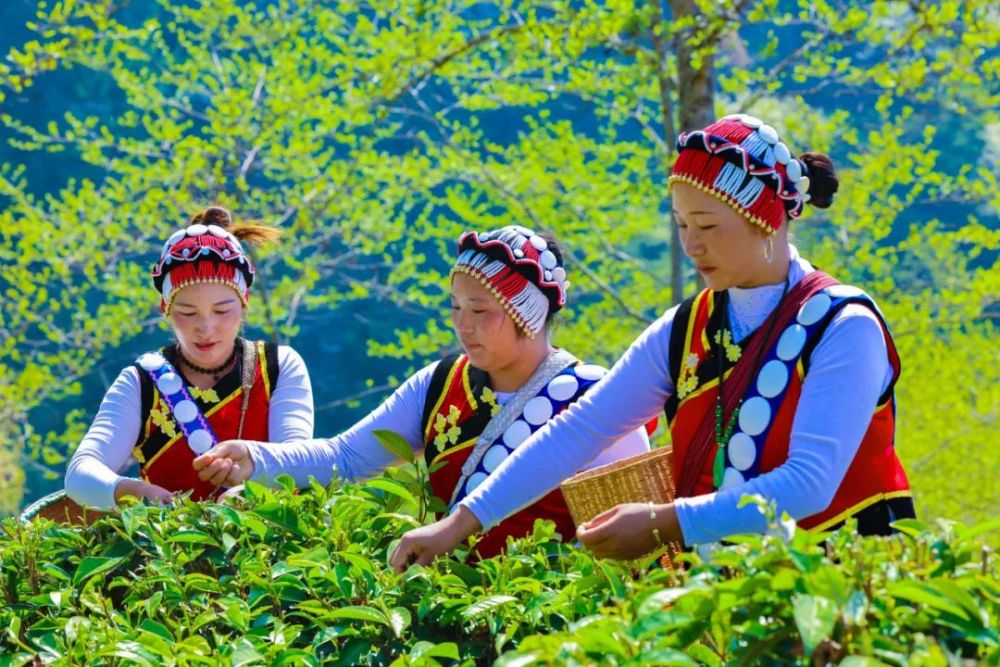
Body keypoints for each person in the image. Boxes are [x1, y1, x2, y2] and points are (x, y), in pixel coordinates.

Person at [388, 114, 915, 570]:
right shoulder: (686, 328)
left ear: (765, 221)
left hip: (843, 588)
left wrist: (665, 522)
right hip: (722, 600)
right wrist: (459, 524)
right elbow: (581, 428)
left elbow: (808, 484)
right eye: (682, 224)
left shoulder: (843, 327)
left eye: (707, 224)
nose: (691, 244)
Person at [192, 226, 651, 559]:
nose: (463, 325)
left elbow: (626, 544)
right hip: (446, 608)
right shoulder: (441, 383)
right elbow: (348, 458)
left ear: (528, 312)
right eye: (455, 307)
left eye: (480, 309)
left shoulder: (597, 400)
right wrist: (258, 460)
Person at [64, 206, 315, 509]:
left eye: (222, 310)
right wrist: (128, 489)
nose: (206, 328)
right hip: (166, 549)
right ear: (165, 309)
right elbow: (80, 474)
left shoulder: (277, 367)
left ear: (244, 301)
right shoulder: (141, 382)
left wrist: (252, 491)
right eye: (187, 313)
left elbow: (299, 460)